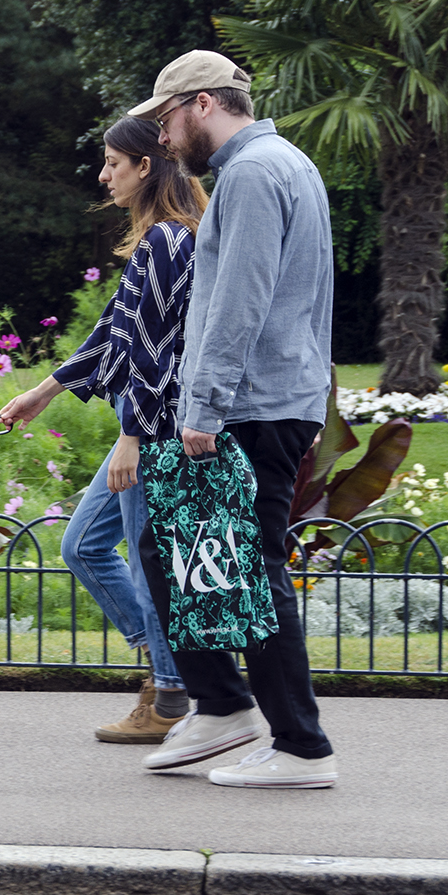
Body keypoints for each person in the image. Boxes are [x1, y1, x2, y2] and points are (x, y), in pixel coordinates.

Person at [128, 49, 337, 788]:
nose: (162, 137)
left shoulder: (251, 174)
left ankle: (300, 746)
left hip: (251, 403)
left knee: (252, 566)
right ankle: (221, 706)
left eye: (166, 117)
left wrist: (204, 406)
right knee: (166, 546)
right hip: (279, 396)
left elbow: (238, 302)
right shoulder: (289, 163)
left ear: (206, 103)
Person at [0, 115, 204, 743]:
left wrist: (131, 436)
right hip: (143, 421)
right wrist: (42, 391)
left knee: (147, 568)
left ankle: (169, 697)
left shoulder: (171, 240)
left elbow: (159, 348)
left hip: (153, 426)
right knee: (83, 545)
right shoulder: (155, 241)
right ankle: (170, 668)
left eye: (114, 162)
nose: (103, 174)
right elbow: (116, 330)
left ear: (145, 166)